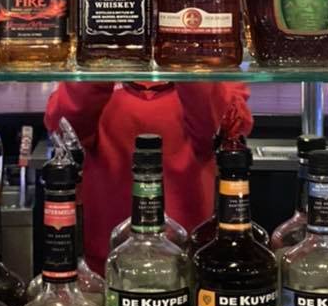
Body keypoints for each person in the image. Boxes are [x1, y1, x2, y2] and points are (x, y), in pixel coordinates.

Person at [44, 81, 253, 275]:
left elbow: (222, 132)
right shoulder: (103, 73)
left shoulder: (217, 71)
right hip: (105, 264)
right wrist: (103, 58)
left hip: (189, 258)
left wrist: (188, 57)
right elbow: (64, 131)